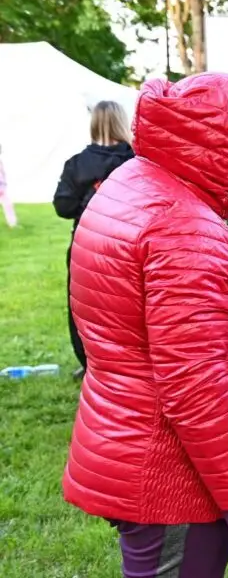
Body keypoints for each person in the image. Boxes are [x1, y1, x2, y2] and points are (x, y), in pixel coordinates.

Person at [61, 73, 228, 578]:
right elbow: (195, 390)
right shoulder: (183, 226)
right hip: (171, 477)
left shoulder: (136, 181)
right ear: (219, 145)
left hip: (132, 439)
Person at [53, 100, 135, 379]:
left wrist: (88, 204)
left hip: (86, 245)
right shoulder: (136, 161)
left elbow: (63, 206)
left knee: (83, 306)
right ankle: (121, 365)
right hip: (128, 244)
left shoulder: (76, 164)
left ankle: (92, 364)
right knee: (127, 306)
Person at [0, 143, 15, 227]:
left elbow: (3, 174)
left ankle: (12, 223)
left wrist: (4, 185)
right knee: (8, 205)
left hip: (2, 187)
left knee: (8, 205)